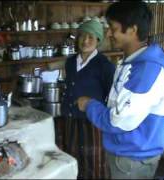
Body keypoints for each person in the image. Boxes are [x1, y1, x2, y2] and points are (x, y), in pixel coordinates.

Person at [77, 1, 164, 179]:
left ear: (132, 30)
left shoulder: (145, 71)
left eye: (113, 28)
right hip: (127, 152)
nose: (109, 34)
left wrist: (89, 105)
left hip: (133, 159)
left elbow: (118, 121)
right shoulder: (132, 62)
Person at [60, 19, 115, 179]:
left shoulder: (105, 65)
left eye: (91, 37)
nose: (85, 41)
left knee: (94, 163)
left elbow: (111, 96)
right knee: (74, 158)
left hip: (93, 123)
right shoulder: (70, 62)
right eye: (82, 36)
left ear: (98, 40)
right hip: (71, 120)